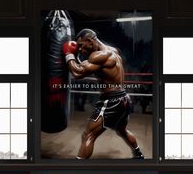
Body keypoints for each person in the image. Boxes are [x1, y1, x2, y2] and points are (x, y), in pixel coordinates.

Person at [62, 28, 144, 159]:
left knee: (88, 135)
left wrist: (68, 54)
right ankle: (139, 155)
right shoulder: (113, 51)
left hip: (112, 101)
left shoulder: (99, 56)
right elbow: (84, 65)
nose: (82, 50)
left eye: (82, 46)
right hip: (124, 99)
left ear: (90, 41)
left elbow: (78, 72)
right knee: (122, 130)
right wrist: (76, 55)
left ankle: (78, 168)